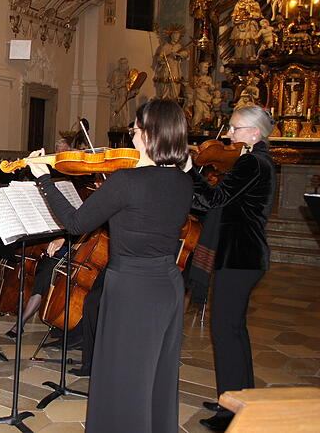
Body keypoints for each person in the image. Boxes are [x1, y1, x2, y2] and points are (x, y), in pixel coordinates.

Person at [27, 99, 193, 433]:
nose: (132, 131)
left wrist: (44, 179)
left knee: (123, 375)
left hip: (132, 286)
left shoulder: (126, 181)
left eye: (136, 126)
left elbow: (75, 223)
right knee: (155, 374)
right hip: (167, 284)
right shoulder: (182, 180)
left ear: (149, 133)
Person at [189, 105, 276, 431]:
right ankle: (236, 398)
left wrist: (189, 172)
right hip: (245, 257)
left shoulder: (252, 161)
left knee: (225, 332)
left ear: (254, 133)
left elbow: (213, 200)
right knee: (233, 332)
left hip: (240, 258)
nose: (228, 134)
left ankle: (231, 413)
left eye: (236, 128)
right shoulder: (259, 160)